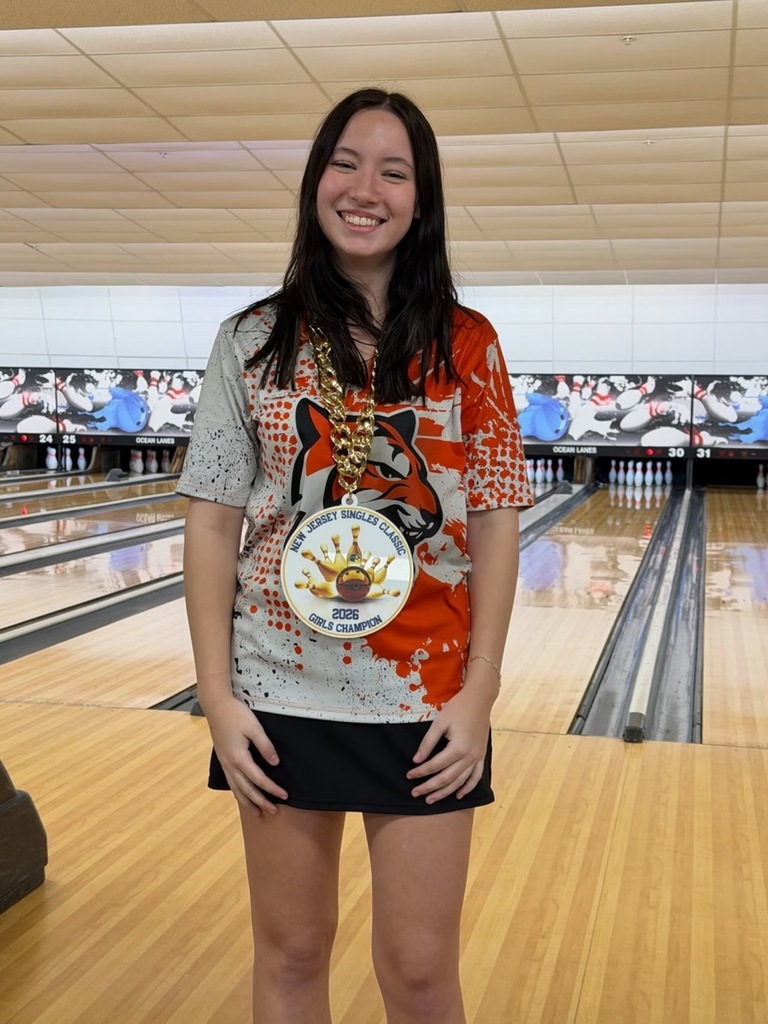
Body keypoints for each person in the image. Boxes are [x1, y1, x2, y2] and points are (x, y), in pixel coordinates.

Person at [177, 87, 533, 1024]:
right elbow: (211, 520)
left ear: (423, 197)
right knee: (291, 955)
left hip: (428, 701)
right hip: (278, 695)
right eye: (345, 160)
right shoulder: (250, 342)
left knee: (419, 969)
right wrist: (217, 696)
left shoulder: (471, 346)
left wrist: (480, 691)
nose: (364, 186)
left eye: (394, 169)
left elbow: (496, 519)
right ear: (315, 180)